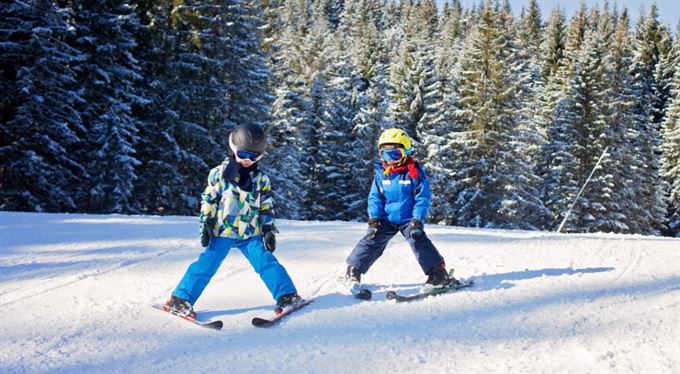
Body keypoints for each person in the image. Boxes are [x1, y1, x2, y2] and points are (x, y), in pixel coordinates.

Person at [164, 124, 302, 318]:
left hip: (250, 232)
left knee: (266, 262)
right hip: (223, 231)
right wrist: (205, 224)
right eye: (243, 155)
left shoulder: (261, 179)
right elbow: (209, 200)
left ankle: (287, 296)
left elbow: (266, 205)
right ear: (233, 149)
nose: (248, 161)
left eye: (254, 157)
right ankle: (180, 299)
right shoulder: (219, 174)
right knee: (207, 264)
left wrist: (269, 227)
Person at [344, 128, 460, 292]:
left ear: (405, 152)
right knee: (371, 239)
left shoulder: (414, 174)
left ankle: (438, 274)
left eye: (395, 154)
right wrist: (375, 218)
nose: (390, 160)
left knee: (418, 240)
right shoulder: (381, 175)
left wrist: (417, 220)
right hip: (386, 219)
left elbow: (423, 198)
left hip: (408, 220)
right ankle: (353, 270)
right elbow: (375, 197)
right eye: (386, 155)